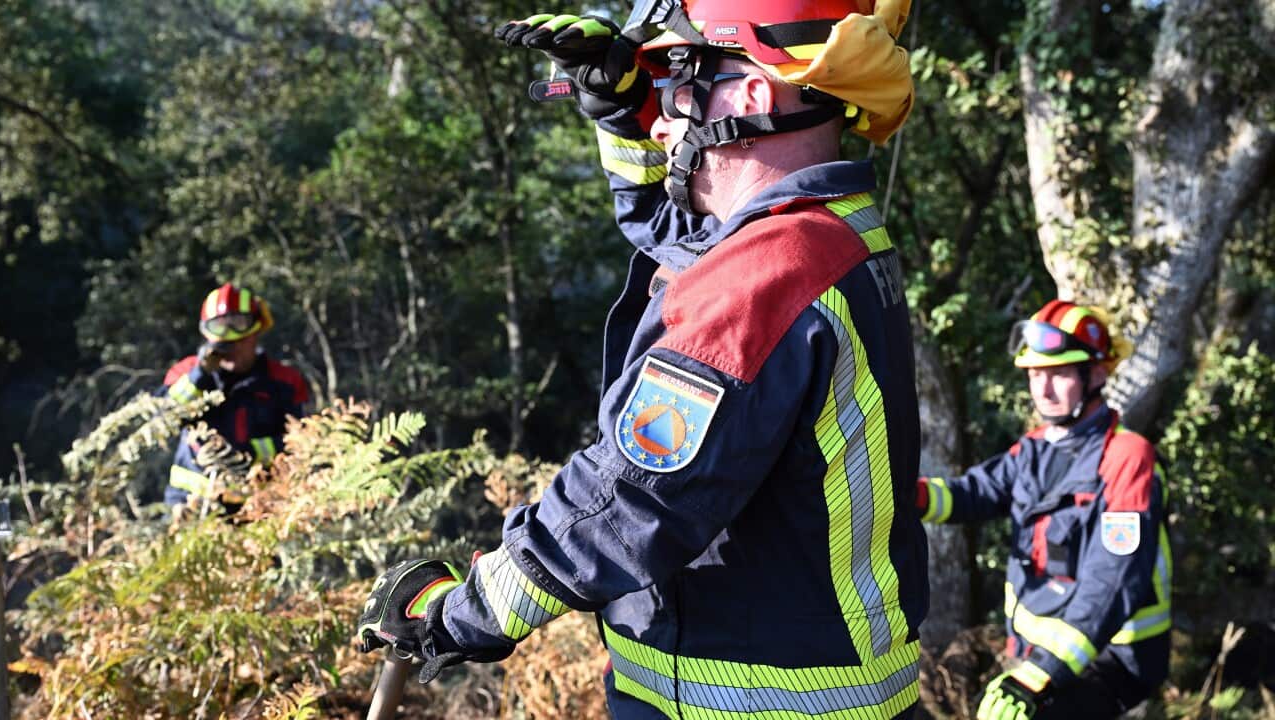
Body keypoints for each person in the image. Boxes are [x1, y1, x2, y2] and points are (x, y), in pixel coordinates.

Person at [357, 1, 928, 717]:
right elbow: (677, 238)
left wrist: (458, 613)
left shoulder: (767, 275)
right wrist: (619, 112)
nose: (661, 121)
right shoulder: (827, 231)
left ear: (752, 95)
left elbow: (631, 494)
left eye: (680, 85)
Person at [918, 300, 1171, 720]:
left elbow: (1111, 583)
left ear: (1097, 374)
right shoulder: (1035, 449)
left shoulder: (1128, 459)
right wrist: (912, 497)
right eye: (1035, 374)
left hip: (1107, 658)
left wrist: (1041, 673)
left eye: (1059, 374)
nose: (1044, 389)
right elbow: (975, 492)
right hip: (1034, 653)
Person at [161, 282, 308, 509]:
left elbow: (302, 443)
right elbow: (161, 422)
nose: (233, 347)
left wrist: (247, 453)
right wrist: (200, 376)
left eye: (240, 337)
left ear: (256, 332)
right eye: (224, 340)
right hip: (190, 505)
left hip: (260, 507)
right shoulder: (184, 373)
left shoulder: (285, 382)